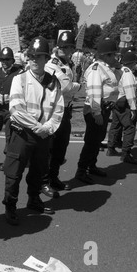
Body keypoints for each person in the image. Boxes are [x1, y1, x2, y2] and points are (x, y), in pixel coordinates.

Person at [1, 37, 64, 225]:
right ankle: (10, 205)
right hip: (22, 133)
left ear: (46, 59)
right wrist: (38, 127)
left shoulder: (54, 83)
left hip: (44, 134)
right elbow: (16, 109)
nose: (34, 61)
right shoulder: (19, 79)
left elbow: (58, 110)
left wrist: (48, 128)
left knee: (39, 170)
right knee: (14, 172)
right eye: (32, 57)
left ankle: (33, 199)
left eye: (39, 57)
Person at [41, 31, 81, 198]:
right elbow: (65, 87)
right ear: (57, 47)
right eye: (63, 46)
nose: (66, 49)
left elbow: (67, 85)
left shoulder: (68, 63)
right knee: (48, 149)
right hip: (54, 112)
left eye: (69, 46)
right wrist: (78, 85)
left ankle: (54, 177)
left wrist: (73, 83)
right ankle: (43, 182)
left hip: (66, 110)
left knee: (61, 147)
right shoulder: (52, 65)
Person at [75, 38, 120, 184]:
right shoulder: (96, 68)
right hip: (96, 108)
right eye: (113, 54)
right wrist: (97, 112)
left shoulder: (107, 68)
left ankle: (91, 165)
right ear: (105, 55)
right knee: (91, 141)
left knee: (97, 140)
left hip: (104, 108)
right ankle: (81, 171)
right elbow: (94, 92)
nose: (115, 57)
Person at [106, 50, 137, 165]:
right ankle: (126, 154)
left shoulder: (119, 70)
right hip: (124, 101)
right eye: (135, 63)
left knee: (116, 125)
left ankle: (110, 148)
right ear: (132, 63)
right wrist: (133, 108)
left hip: (116, 100)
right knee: (130, 127)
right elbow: (130, 90)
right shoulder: (128, 72)